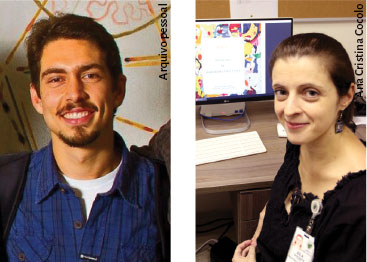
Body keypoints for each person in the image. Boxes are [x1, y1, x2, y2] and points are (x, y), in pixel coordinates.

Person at [0, 13, 169, 262]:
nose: (75, 94)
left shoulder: (164, 187)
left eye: (90, 75)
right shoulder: (6, 184)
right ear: (37, 98)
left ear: (117, 90)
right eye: (56, 79)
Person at [233, 33, 366, 262]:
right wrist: (256, 238)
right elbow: (272, 207)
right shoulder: (300, 140)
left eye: (310, 93)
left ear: (346, 96)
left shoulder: (357, 206)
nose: (289, 110)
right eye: (282, 92)